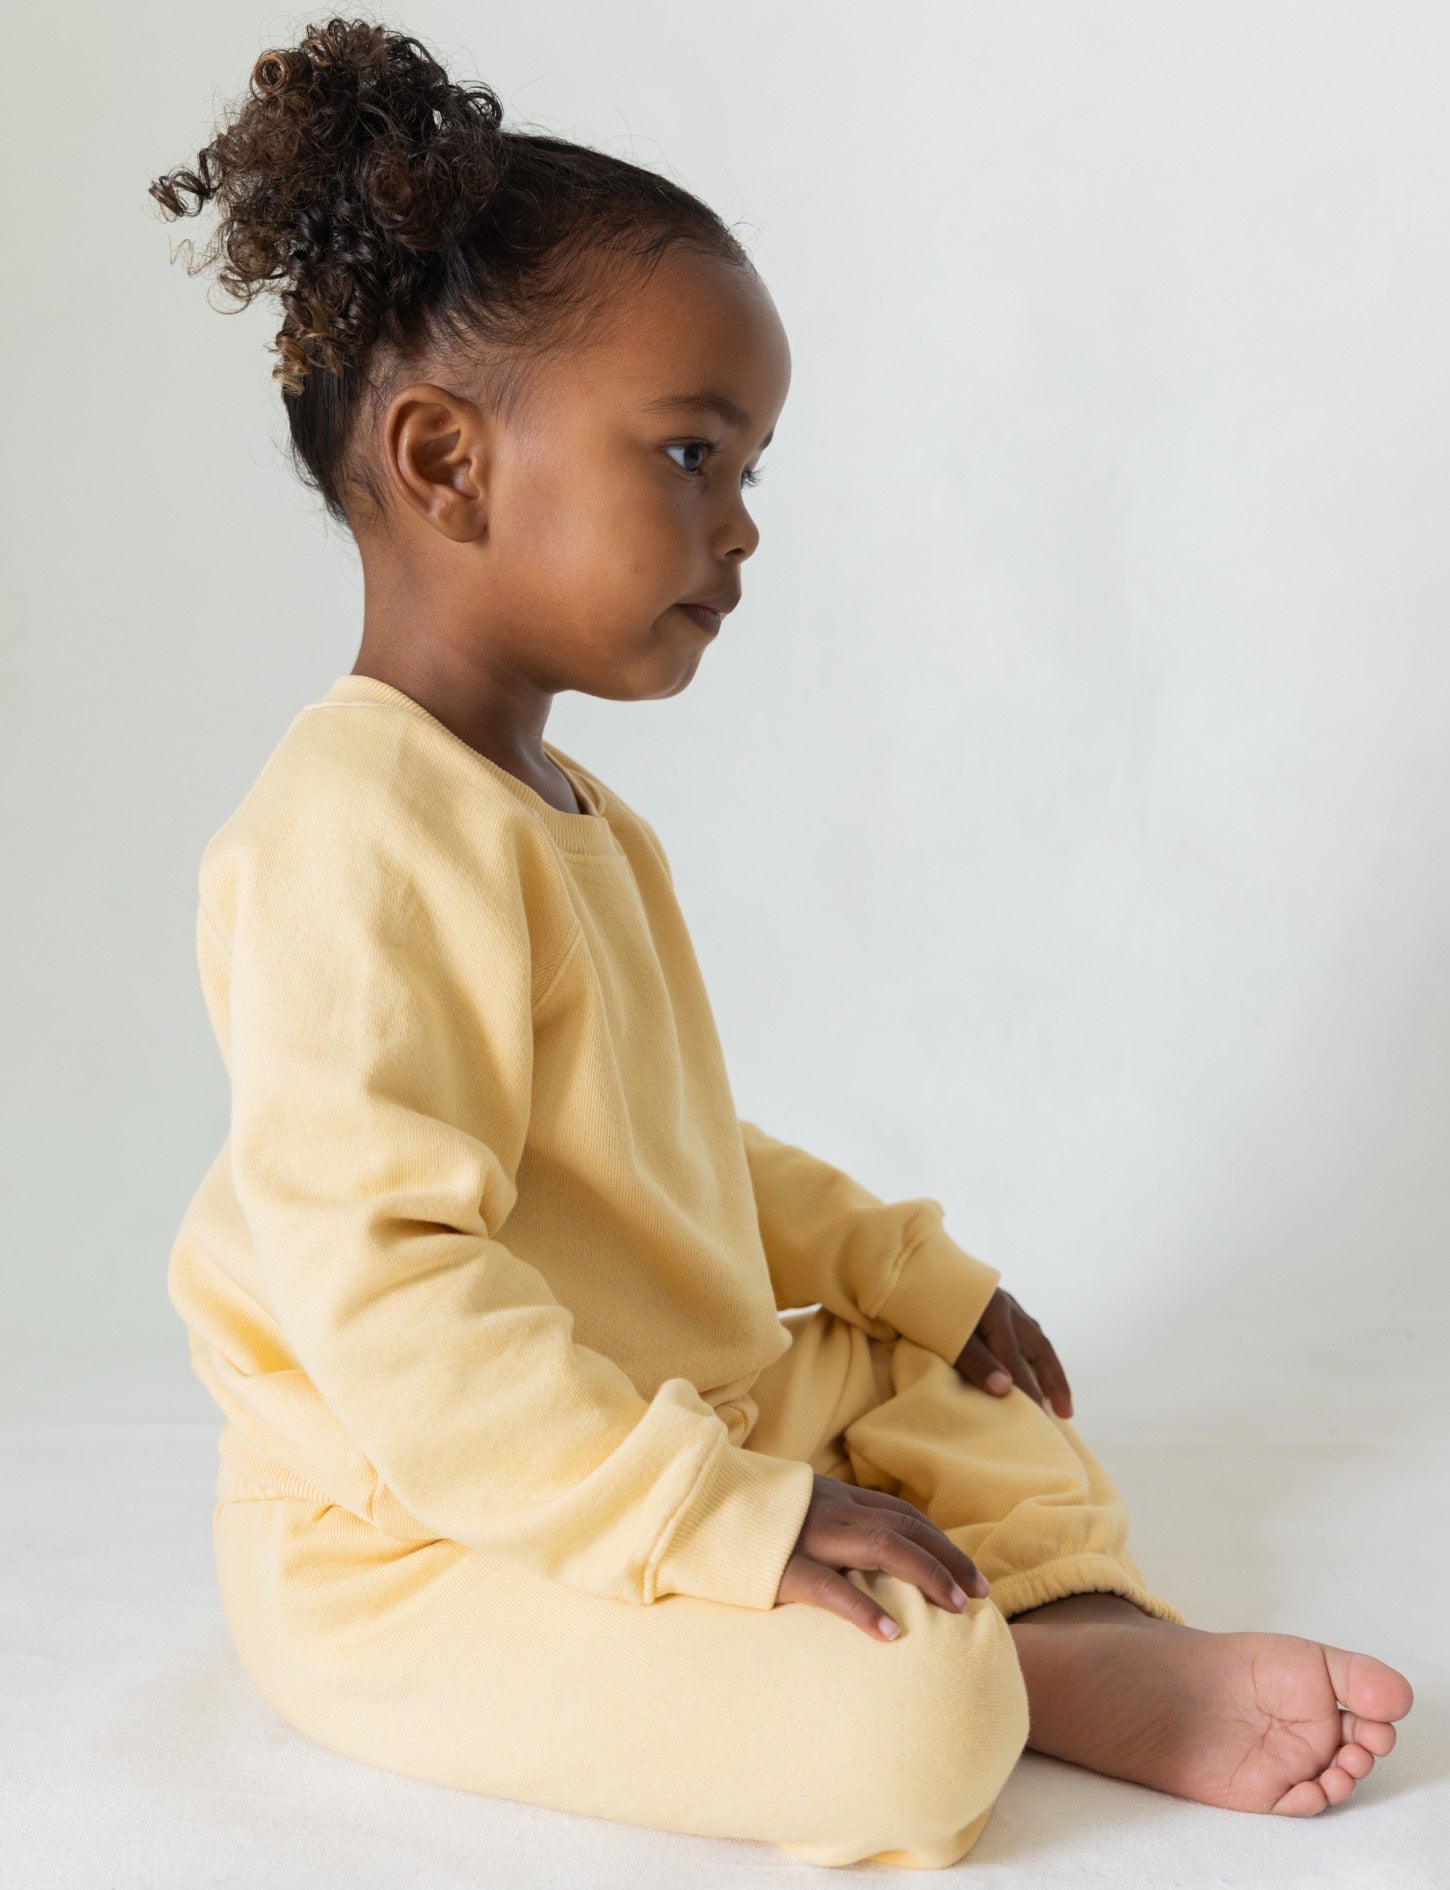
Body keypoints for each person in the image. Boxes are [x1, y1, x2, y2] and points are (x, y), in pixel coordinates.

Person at [150, 17, 1413, 1871]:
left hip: (657, 1394)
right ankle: (987, 1677)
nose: (739, 527)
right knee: (904, 1725)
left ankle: (1065, 1632)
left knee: (962, 1391)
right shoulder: (347, 832)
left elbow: (657, 1154)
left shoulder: (569, 810)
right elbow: (393, 1300)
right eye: (690, 453)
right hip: (415, 1520)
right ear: (444, 461)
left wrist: (897, 1273)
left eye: (748, 469)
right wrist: (715, 1512)